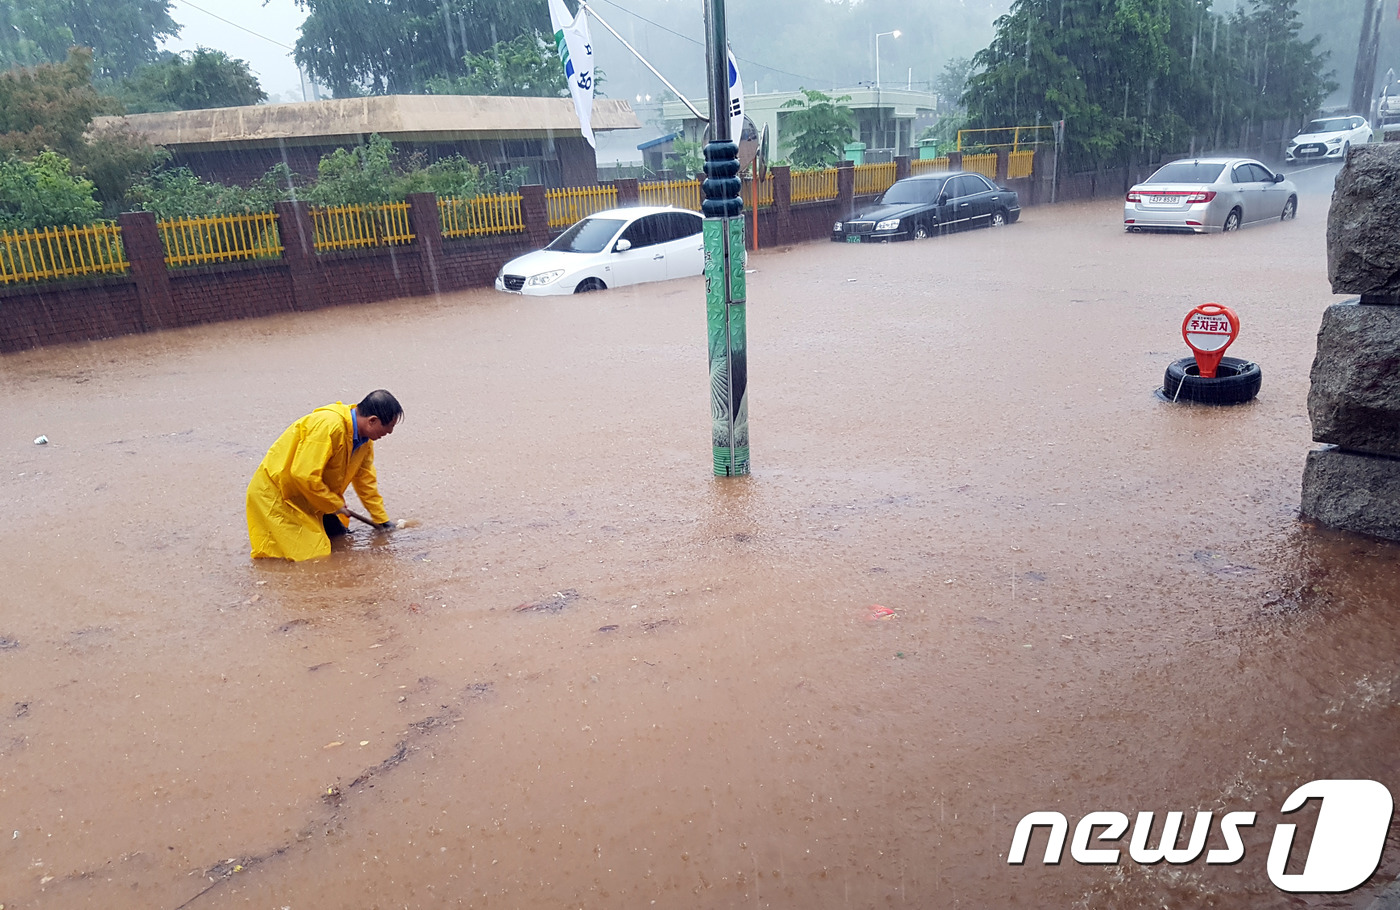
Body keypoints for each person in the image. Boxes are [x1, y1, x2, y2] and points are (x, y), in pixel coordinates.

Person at [246, 390, 403, 561]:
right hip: (280, 495)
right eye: (388, 427)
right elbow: (303, 475)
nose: (389, 432)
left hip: (315, 496)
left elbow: (366, 481)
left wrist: (381, 519)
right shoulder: (329, 426)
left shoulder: (364, 442)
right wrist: (334, 504)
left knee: (340, 538)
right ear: (372, 420)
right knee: (314, 557)